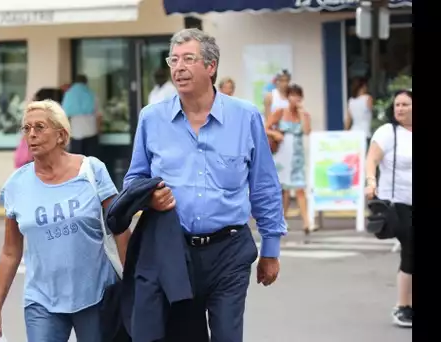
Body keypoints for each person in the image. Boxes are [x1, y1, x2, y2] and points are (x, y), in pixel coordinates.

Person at [124, 28, 286, 342]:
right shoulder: (151, 118)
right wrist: (150, 198)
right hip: (173, 251)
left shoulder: (245, 117)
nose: (178, 67)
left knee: (227, 335)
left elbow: (264, 185)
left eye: (188, 59)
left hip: (230, 249)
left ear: (210, 67)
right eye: (173, 60)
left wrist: (271, 249)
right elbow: (134, 180)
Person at [0, 100, 131, 342]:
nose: (32, 134)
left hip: (96, 295)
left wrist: (133, 284)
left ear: (61, 135)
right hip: (42, 301)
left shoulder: (91, 171)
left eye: (40, 127)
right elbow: (10, 252)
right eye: (27, 128)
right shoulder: (16, 186)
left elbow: (120, 229)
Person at [365, 90, 413, 328]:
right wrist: (371, 181)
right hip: (398, 203)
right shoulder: (388, 132)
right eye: (398, 105)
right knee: (411, 249)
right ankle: (402, 307)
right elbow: (372, 159)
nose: (400, 109)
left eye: (406, 104)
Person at [265, 84, 312, 234]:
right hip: (283, 153)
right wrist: (275, 134)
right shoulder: (280, 112)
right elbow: (265, 127)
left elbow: (306, 131)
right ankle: (282, 219)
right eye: (292, 95)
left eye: (298, 96)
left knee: (299, 188)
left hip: (297, 154)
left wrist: (302, 113)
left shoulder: (303, 114)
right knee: (283, 189)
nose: (295, 99)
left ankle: (307, 223)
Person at [62, 74, 101, 157]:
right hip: (91, 131)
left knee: (77, 162)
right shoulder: (92, 95)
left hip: (76, 132)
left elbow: (64, 117)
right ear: (86, 83)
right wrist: (98, 130)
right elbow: (98, 116)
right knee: (91, 161)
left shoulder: (69, 95)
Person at [345, 77, 373, 147]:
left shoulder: (351, 101)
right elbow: (372, 112)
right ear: (363, 86)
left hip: (353, 132)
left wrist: (345, 132)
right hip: (365, 131)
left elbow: (348, 119)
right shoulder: (367, 98)